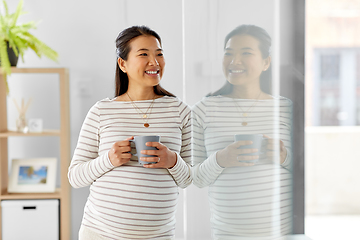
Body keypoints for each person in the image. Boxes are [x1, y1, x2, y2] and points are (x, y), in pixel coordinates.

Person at [68, 25, 192, 240]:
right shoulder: (101, 111)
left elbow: (189, 178)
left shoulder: (180, 110)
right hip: (101, 233)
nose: (154, 62)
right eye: (144, 54)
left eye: (159, 54)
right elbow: (75, 177)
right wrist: (108, 160)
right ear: (122, 63)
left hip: (158, 236)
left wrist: (172, 160)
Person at [191, 24, 293, 239]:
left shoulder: (285, 108)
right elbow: (197, 177)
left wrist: (284, 157)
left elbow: (304, 170)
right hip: (227, 234)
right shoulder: (204, 109)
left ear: (266, 62)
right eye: (228, 53)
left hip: (281, 233)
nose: (234, 61)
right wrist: (221, 159)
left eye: (246, 53)